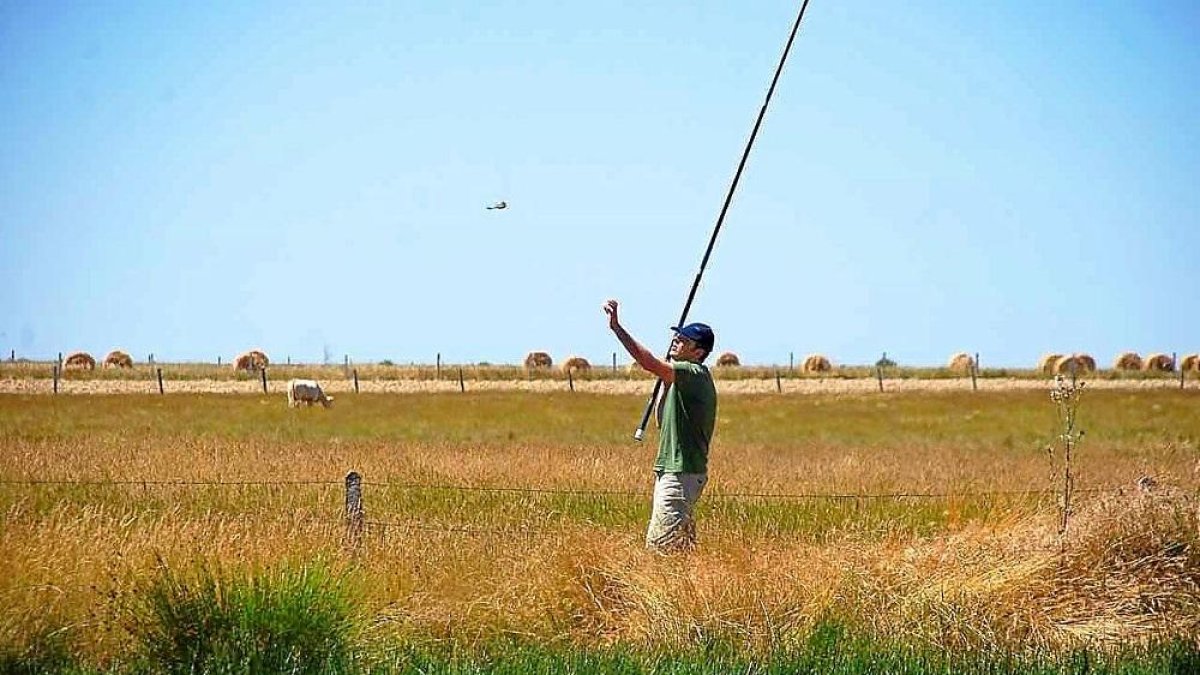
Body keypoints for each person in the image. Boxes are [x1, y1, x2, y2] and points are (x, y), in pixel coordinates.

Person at [603, 299, 717, 552]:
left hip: (680, 475)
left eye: (684, 341)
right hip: (677, 472)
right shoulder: (680, 379)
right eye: (676, 338)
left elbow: (647, 362)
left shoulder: (693, 372)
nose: (676, 341)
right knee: (681, 550)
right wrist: (665, 380)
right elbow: (662, 420)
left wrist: (617, 329)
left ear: (698, 352)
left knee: (660, 548)